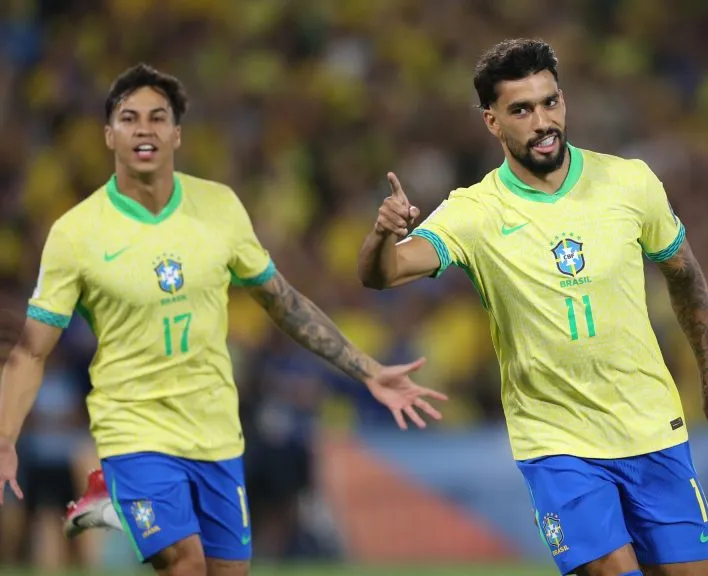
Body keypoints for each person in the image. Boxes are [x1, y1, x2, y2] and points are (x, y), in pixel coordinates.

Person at [0, 63, 447, 576]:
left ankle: (109, 504)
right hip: (134, 430)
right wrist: (5, 438)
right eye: (129, 118)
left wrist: (368, 370)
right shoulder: (75, 233)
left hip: (215, 433)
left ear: (177, 133)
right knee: (184, 565)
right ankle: (119, 492)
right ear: (108, 134)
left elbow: (283, 302)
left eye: (157, 117)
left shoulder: (219, 208)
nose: (144, 128)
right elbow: (33, 348)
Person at [357, 39, 708, 576]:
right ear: (492, 122)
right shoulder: (475, 211)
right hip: (559, 443)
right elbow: (383, 274)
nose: (543, 121)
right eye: (522, 109)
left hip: (652, 427)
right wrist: (382, 234)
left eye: (550, 102)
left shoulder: (630, 182)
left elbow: (686, 277)